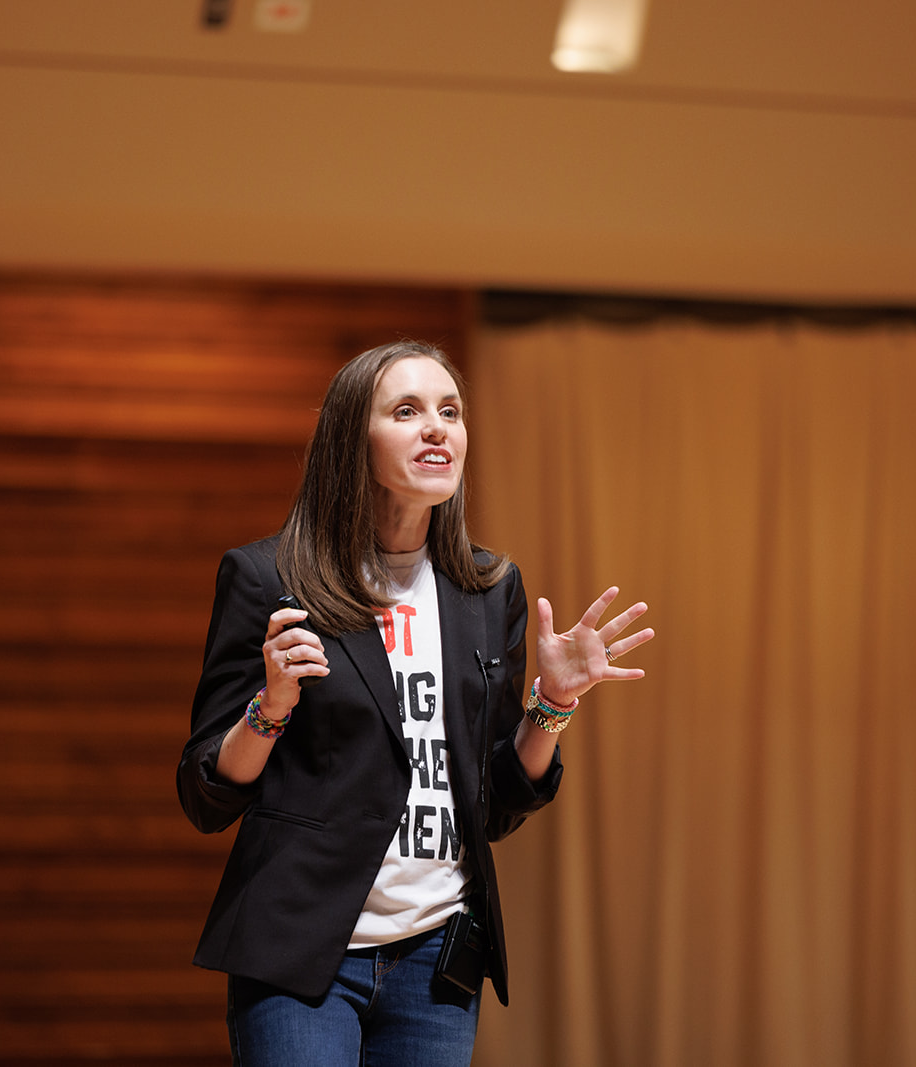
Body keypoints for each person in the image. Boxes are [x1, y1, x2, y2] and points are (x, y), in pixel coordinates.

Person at [176, 339, 653, 1065]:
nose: (437, 427)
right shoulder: (268, 576)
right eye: (407, 410)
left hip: (436, 958)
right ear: (350, 439)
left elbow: (491, 805)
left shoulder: (490, 590)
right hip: (303, 952)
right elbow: (205, 794)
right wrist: (269, 703)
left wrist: (552, 703)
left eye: (450, 411)